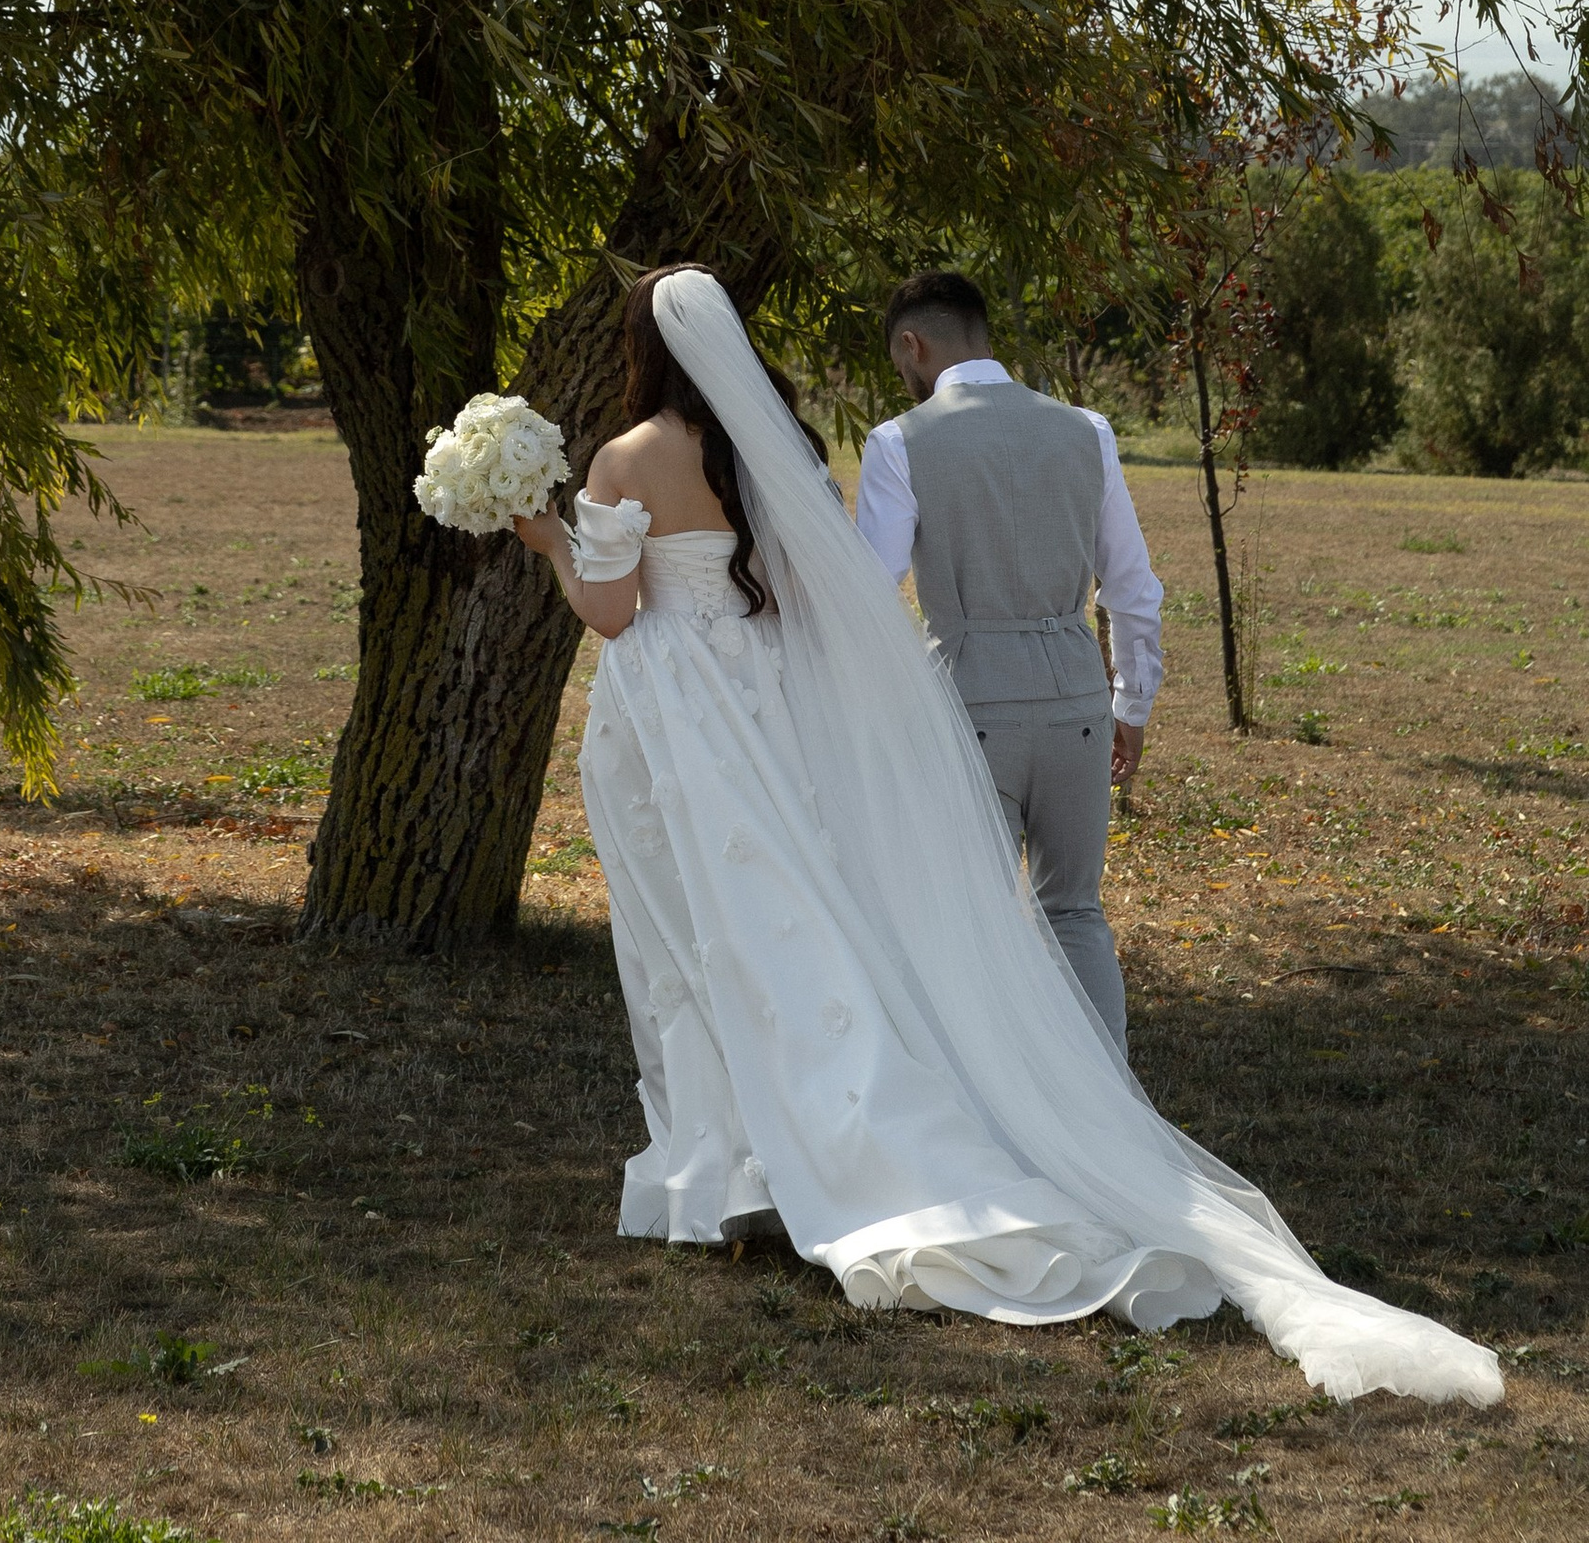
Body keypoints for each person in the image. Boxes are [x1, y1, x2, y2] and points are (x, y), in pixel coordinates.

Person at [511, 267, 1499, 1406]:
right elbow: (847, 591)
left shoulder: (659, 456)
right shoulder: (791, 438)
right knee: (883, 919)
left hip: (739, 715)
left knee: (719, 931)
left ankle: (750, 1162)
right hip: (873, 706)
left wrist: (542, 534)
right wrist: (1129, 702)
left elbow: (617, 608)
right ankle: (956, 1115)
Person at [853, 265, 1160, 1048]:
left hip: (969, 704)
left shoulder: (899, 443)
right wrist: (1132, 703)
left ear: (914, 346)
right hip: (1077, 703)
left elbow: (868, 587)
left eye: (900, 365)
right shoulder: (1086, 430)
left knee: (970, 917)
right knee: (1076, 911)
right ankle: (1110, 1103)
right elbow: (1131, 586)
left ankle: (991, 1104)